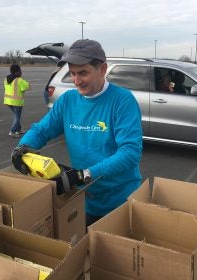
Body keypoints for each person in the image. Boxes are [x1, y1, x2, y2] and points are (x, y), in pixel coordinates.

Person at [11, 39, 143, 226]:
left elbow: (130, 153)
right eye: (72, 73)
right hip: (85, 199)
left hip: (120, 201)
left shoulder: (122, 101)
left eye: (83, 73)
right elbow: (42, 130)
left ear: (102, 70)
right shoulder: (68, 101)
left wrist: (84, 175)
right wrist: (23, 147)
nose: (76, 80)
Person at [4, 64, 30, 138]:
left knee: (16, 115)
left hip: (8, 101)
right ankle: (12, 131)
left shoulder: (6, 79)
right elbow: (27, 87)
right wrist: (25, 82)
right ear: (17, 72)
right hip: (16, 102)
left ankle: (18, 130)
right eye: (20, 70)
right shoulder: (19, 80)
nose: (21, 72)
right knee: (17, 116)